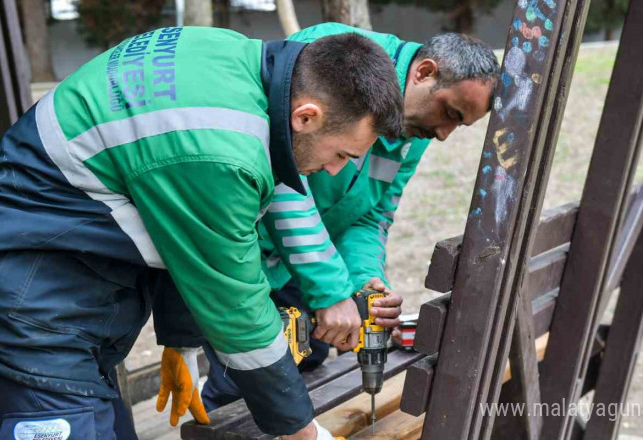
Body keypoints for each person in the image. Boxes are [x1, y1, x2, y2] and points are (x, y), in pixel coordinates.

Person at [0, 26, 404, 440]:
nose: (335, 172)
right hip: (16, 295)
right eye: (341, 154)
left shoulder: (233, 61)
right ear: (306, 116)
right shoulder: (225, 151)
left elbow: (180, 231)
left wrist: (181, 341)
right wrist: (301, 431)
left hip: (58, 278)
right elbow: (237, 309)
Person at [156, 23, 501, 416]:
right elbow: (285, 176)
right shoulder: (336, 58)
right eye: (450, 113)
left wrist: (364, 278)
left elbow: (370, 215)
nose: (443, 134)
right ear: (424, 72)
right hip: (242, 251)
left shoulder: (410, 128)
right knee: (242, 385)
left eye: (459, 125)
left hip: (299, 267)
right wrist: (332, 291)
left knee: (310, 355)